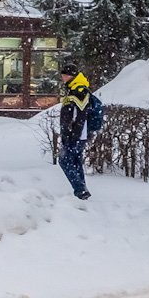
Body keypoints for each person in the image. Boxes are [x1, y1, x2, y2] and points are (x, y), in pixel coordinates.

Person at [58, 63, 93, 199]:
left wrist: (74, 135)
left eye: (65, 75)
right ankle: (82, 191)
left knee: (64, 160)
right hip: (76, 135)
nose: (63, 78)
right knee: (76, 162)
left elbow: (80, 115)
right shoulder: (74, 89)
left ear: (71, 76)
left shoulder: (79, 90)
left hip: (77, 135)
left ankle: (80, 191)